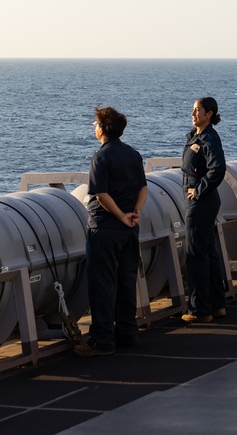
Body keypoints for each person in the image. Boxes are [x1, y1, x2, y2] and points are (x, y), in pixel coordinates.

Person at [77, 105, 147, 357]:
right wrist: (134, 213)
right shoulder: (133, 154)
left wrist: (119, 216)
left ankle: (102, 340)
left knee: (103, 285)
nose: (94, 129)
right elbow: (143, 188)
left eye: (95, 124)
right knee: (126, 281)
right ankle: (128, 333)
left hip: (105, 229)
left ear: (103, 129)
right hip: (130, 229)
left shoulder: (101, 157)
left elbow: (101, 194)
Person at [180, 96, 227, 324]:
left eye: (197, 110)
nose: (193, 113)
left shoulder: (209, 138)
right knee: (208, 253)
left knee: (196, 254)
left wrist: (198, 191)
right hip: (203, 200)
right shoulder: (196, 136)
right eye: (193, 109)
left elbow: (217, 168)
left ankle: (199, 310)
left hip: (201, 202)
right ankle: (216, 305)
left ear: (209, 114)